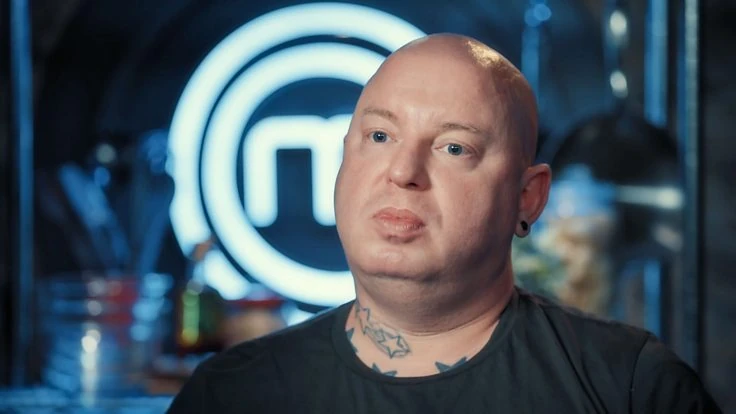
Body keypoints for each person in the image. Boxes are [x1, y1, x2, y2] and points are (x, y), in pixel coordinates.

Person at [166, 33, 721, 413]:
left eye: (454, 148)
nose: (403, 172)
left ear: (527, 198)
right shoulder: (230, 395)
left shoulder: (632, 388)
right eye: (379, 136)